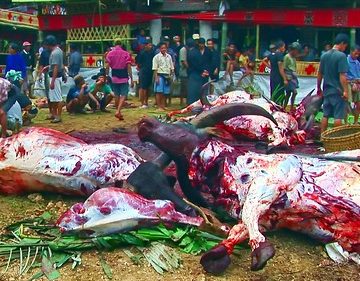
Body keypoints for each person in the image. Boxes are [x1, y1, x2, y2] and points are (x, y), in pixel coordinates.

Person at [317, 33, 349, 133]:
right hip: (337, 90)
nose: (345, 48)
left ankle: (323, 136)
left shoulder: (324, 55)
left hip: (327, 90)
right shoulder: (341, 56)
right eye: (345, 46)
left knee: (325, 115)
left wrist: (319, 87)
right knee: (338, 116)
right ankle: (336, 137)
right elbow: (342, 75)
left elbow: (319, 73)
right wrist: (345, 91)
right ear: (342, 43)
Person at [106, 38, 133, 120]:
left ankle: (118, 111)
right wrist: (131, 78)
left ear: (114, 44)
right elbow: (128, 67)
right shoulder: (126, 54)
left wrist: (106, 75)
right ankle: (118, 111)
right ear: (121, 44)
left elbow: (107, 66)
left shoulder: (110, 54)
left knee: (117, 94)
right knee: (124, 94)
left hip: (114, 75)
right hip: (123, 75)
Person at [45, 35, 64, 123]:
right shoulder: (59, 51)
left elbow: (56, 67)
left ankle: (58, 116)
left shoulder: (55, 53)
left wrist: (52, 81)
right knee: (54, 98)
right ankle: (54, 114)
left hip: (55, 77)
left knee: (58, 98)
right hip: (56, 76)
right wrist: (48, 67)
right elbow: (58, 65)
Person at [187, 37, 210, 105]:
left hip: (205, 74)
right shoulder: (193, 52)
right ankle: (192, 105)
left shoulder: (208, 51)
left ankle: (203, 105)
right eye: (200, 44)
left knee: (204, 91)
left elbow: (210, 62)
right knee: (193, 91)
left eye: (202, 44)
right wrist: (201, 71)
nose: (201, 45)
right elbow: (192, 63)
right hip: (195, 73)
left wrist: (207, 71)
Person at [152, 42, 174, 110]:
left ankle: (163, 105)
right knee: (159, 92)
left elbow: (171, 67)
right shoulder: (156, 57)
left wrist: (171, 75)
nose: (164, 49)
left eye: (165, 48)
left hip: (167, 75)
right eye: (162, 48)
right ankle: (159, 106)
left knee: (165, 92)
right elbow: (155, 68)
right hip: (160, 75)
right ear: (160, 49)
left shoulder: (169, 56)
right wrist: (156, 77)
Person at [136, 39, 154, 108]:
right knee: (143, 87)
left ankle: (146, 102)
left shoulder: (152, 53)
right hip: (143, 71)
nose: (150, 46)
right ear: (146, 45)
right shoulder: (142, 53)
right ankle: (142, 102)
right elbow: (138, 63)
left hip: (150, 71)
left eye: (151, 45)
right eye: (149, 45)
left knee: (148, 88)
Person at [283, 42, 301, 111]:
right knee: (294, 92)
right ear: (293, 50)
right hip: (289, 76)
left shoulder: (293, 58)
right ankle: (288, 107)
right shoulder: (287, 57)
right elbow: (284, 68)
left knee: (288, 94)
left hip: (293, 76)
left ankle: (287, 107)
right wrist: (286, 78)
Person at [346, 45, 360, 124]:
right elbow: (343, 75)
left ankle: (355, 122)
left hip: (357, 85)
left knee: (358, 104)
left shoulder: (357, 62)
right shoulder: (346, 61)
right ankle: (346, 123)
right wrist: (352, 82)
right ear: (351, 52)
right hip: (348, 84)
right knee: (347, 104)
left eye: (358, 54)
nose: (357, 55)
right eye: (355, 53)